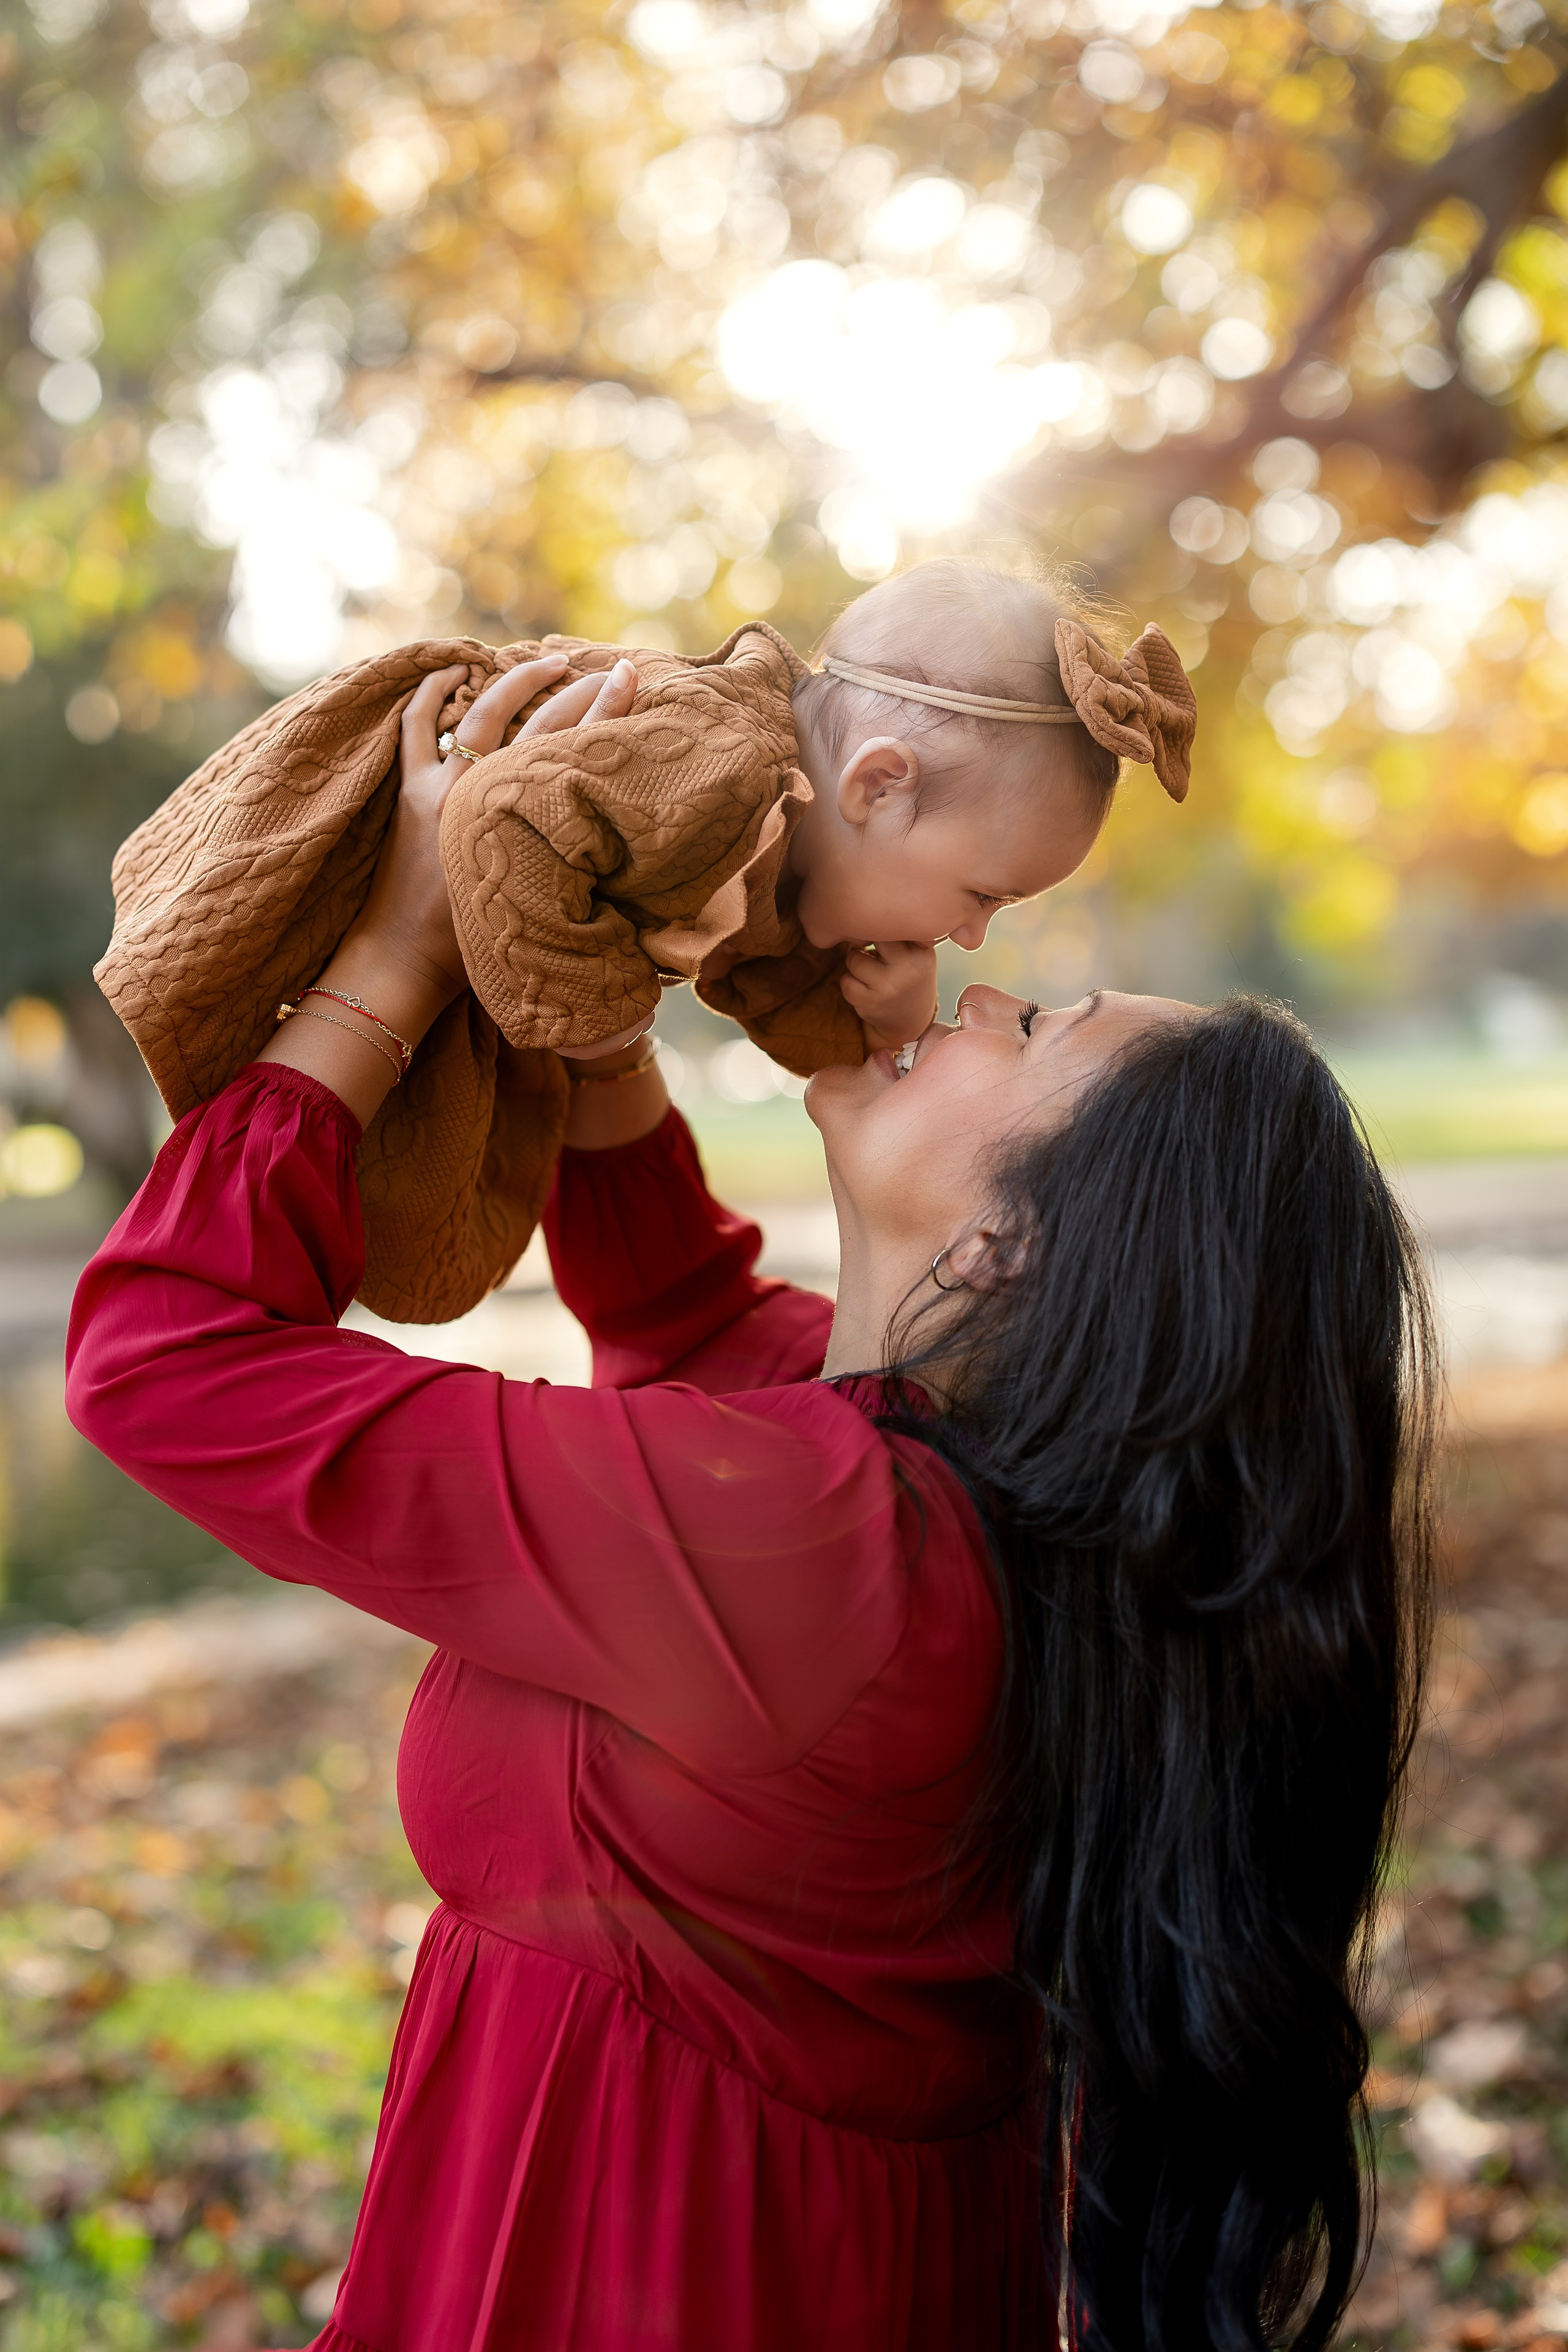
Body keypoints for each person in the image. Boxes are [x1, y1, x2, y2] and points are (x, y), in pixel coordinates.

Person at [66, 665, 1436, 2352]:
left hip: (635, 2283)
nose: (985, 992)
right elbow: (684, 1322)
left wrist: (399, 955)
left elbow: (165, 1361)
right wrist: (596, 958)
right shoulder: (965, 1485)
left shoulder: (832, 1551)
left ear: (1020, 1249)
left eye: (1040, 1032)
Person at [94, 560, 1197, 1323]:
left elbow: (767, 988)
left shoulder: (800, 852)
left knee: (421, 1204)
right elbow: (501, 823)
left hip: (491, 924)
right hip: (375, 844)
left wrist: (884, 1029)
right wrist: (616, 998)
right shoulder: (715, 775)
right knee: (362, 1177)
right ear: (878, 786)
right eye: (981, 895)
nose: (968, 936)